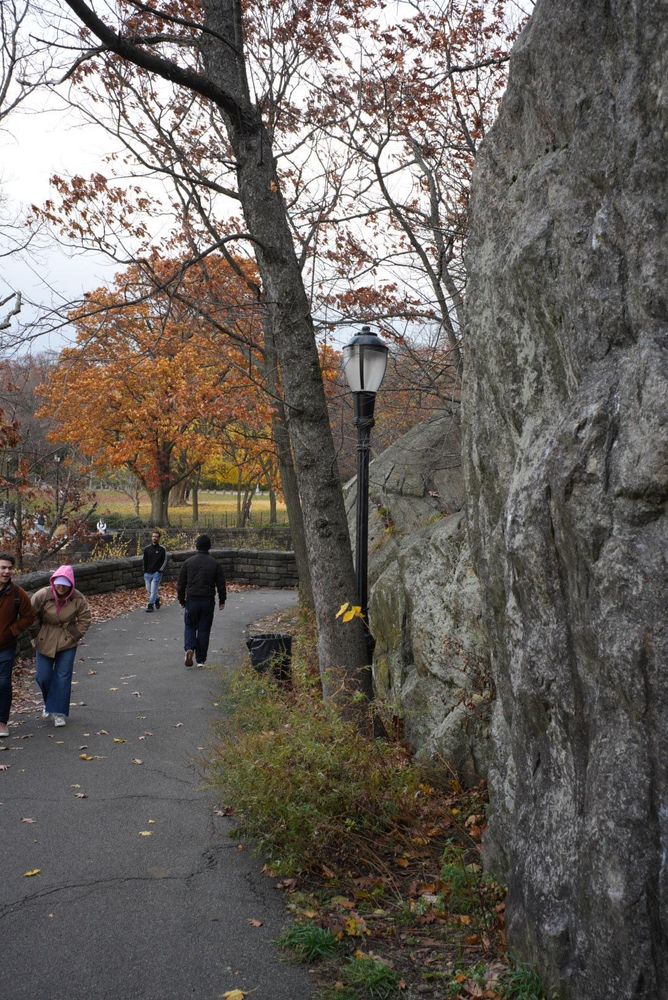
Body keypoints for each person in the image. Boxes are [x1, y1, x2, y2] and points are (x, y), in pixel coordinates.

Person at [30, 565, 92, 727]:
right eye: (59, 582)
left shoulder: (78, 598)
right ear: (53, 581)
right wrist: (37, 633)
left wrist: (76, 635)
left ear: (71, 584)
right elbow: (31, 615)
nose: (61, 587)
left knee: (63, 677)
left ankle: (58, 712)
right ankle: (49, 704)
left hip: (67, 640)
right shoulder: (42, 595)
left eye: (65, 584)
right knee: (42, 677)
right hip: (45, 638)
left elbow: (85, 618)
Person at [177, 534, 226, 668]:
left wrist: (181, 599)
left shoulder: (188, 562)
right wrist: (222, 600)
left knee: (190, 625)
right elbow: (221, 584)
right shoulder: (214, 563)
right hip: (208, 601)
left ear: (197, 546)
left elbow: (181, 584)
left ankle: (189, 648)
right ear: (209, 547)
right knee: (204, 629)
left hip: (192, 600)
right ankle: (201, 660)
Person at [0, 553, 35, 738]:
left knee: (4, 683)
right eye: (3, 567)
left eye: (9, 568)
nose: (6, 571)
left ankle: (2, 722)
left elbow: (29, 616)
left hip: (5, 647)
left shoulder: (16, 593)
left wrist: (12, 631)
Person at [142, 529, 168, 612]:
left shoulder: (162, 549)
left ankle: (150, 606)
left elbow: (165, 560)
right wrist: (144, 571)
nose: (154, 538)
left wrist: (160, 571)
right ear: (151, 537)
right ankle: (156, 599)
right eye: (153, 536)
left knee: (153, 590)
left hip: (156, 573)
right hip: (147, 574)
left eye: (156, 537)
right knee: (149, 590)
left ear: (159, 538)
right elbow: (144, 561)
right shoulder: (146, 549)